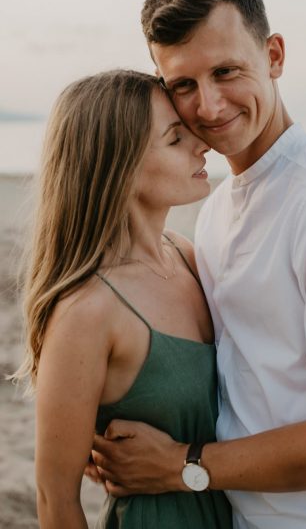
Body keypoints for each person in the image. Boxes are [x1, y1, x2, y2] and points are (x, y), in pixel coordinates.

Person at [89, 0, 306, 528]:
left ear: (275, 56)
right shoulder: (216, 211)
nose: (208, 107)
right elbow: (243, 385)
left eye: (226, 71)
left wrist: (181, 465)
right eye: (183, 85)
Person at [13, 69, 233, 528]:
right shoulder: (87, 311)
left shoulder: (187, 257)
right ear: (120, 165)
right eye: (175, 138)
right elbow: (56, 500)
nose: (201, 143)